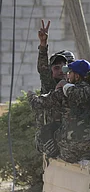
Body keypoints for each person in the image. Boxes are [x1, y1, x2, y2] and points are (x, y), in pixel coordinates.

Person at [28, 60, 90, 162]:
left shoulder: (64, 93)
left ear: (77, 76)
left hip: (69, 152)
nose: (67, 75)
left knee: (45, 131)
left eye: (70, 73)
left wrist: (31, 95)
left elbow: (38, 103)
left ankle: (51, 155)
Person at [32, 19, 75, 157]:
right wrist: (43, 45)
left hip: (68, 138)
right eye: (57, 68)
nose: (61, 71)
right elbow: (43, 69)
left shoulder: (74, 87)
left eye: (64, 67)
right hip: (49, 139)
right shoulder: (49, 84)